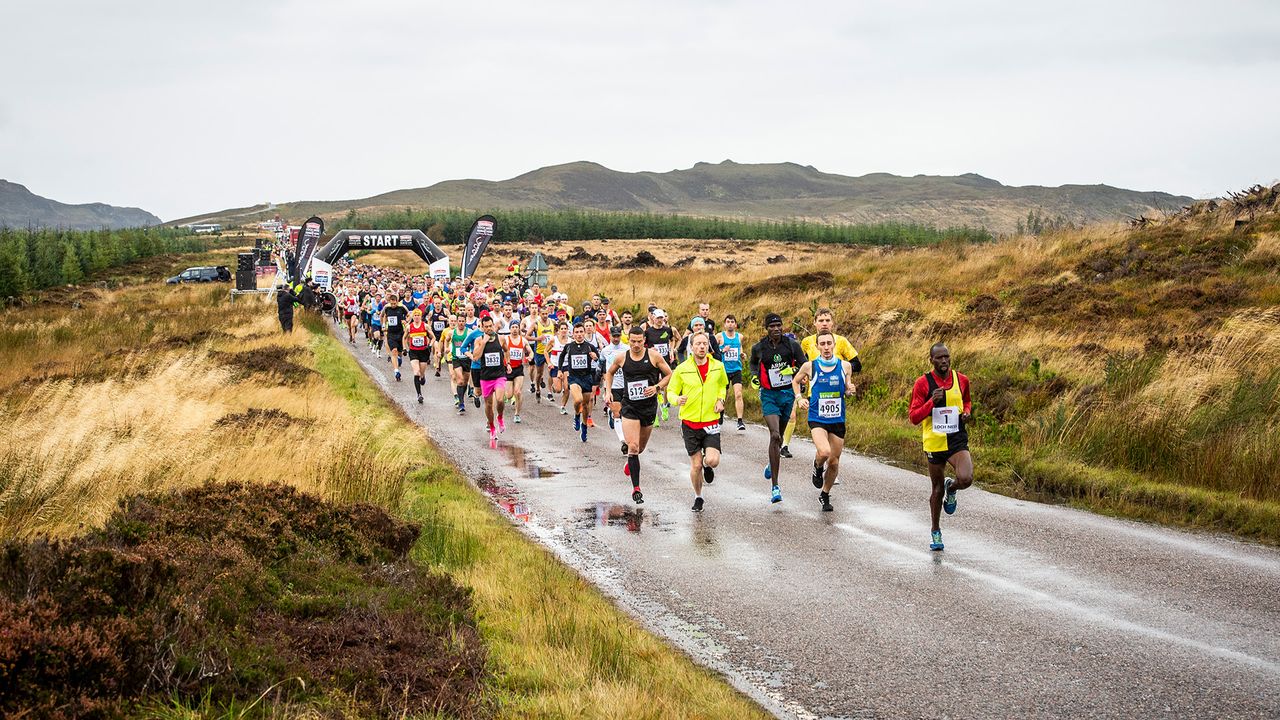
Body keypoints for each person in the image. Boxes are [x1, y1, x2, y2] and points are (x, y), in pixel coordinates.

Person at [908, 343, 974, 551]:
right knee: (936, 490)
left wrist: (967, 412)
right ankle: (935, 531)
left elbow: (967, 401)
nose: (944, 361)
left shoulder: (961, 380)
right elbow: (913, 417)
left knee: (966, 478)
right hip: (934, 441)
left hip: (956, 438)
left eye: (947, 357)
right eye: (939, 358)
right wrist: (930, 404)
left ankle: (952, 488)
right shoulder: (922, 383)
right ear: (931, 361)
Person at [603, 326, 673, 504]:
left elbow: (669, 374)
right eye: (632, 341)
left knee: (640, 449)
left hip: (648, 407)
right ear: (628, 340)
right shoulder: (622, 357)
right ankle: (636, 489)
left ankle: (630, 462)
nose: (635, 345)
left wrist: (657, 387)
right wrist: (608, 391)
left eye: (639, 342)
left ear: (644, 341)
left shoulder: (653, 356)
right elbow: (609, 373)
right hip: (630, 407)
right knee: (632, 447)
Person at [782, 307, 862, 457]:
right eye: (821, 321)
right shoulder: (807, 342)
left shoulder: (841, 341)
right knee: (820, 435)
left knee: (833, 438)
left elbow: (857, 364)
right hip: (815, 394)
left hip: (836, 394)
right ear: (815, 323)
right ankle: (819, 457)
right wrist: (805, 374)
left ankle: (830, 464)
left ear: (832, 323)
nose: (824, 323)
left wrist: (840, 371)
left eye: (827, 320)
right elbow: (800, 362)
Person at [792, 332, 855, 512]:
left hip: (837, 418)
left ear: (834, 345)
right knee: (824, 452)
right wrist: (799, 398)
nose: (826, 347)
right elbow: (795, 382)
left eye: (829, 343)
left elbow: (847, 389)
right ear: (817, 346)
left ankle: (825, 493)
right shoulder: (810, 366)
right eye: (822, 344)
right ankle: (817, 466)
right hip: (817, 417)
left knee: (834, 463)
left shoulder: (845, 366)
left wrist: (850, 390)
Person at [667, 332, 729, 512]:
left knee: (713, 460)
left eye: (704, 343)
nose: (701, 347)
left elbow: (722, 386)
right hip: (690, 423)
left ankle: (708, 466)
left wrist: (721, 400)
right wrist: (676, 399)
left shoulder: (718, 366)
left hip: (710, 421)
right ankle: (698, 496)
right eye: (698, 344)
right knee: (696, 465)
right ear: (691, 347)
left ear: (708, 346)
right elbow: (670, 392)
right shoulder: (682, 369)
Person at [748, 313, 805, 504]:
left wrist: (795, 371)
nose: (776, 329)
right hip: (769, 395)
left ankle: (772, 463)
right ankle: (775, 487)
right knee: (774, 436)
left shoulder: (791, 345)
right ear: (767, 328)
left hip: (787, 394)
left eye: (779, 325)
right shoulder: (759, 347)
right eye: (772, 326)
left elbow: (804, 365)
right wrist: (755, 377)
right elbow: (753, 364)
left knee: (779, 439)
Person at [472, 314, 510, 447]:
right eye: (486, 327)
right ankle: (492, 427)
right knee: (488, 405)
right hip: (486, 377)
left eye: (490, 326)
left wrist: (508, 363)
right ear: (482, 327)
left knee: (500, 399)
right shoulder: (479, 340)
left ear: (494, 325)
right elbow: (475, 357)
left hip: (499, 374)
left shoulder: (500, 338)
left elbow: (506, 350)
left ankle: (500, 417)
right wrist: (484, 341)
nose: (489, 328)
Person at [559, 323, 599, 443]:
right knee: (578, 400)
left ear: (584, 333)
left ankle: (584, 426)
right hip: (574, 378)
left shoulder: (590, 346)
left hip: (587, 377)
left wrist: (595, 357)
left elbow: (599, 358)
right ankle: (577, 415)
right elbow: (561, 357)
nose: (579, 334)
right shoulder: (569, 346)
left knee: (586, 405)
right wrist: (560, 370)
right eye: (577, 332)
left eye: (581, 332)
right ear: (573, 334)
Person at [644, 309, 677, 425]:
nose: (660, 320)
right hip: (653, 362)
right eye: (658, 318)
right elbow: (644, 345)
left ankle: (664, 405)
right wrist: (649, 350)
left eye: (661, 318)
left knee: (667, 383)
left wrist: (671, 351)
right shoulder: (648, 332)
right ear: (653, 318)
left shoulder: (668, 330)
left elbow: (672, 340)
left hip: (665, 361)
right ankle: (655, 414)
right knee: (654, 385)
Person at [599, 327, 630, 445]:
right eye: (614, 336)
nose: (616, 338)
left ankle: (611, 413)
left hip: (626, 385)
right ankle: (623, 441)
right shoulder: (605, 350)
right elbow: (601, 364)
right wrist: (601, 379)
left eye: (618, 336)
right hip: (613, 385)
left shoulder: (627, 349)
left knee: (625, 413)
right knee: (617, 413)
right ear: (610, 336)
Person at [717, 314, 746, 430]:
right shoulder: (720, 336)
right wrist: (722, 350)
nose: (730, 324)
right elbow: (713, 351)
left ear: (735, 324)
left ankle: (740, 421)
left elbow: (740, 348)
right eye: (728, 322)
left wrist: (742, 355)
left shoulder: (740, 337)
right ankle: (721, 413)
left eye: (732, 322)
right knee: (723, 395)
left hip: (736, 369)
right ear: (724, 324)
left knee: (738, 394)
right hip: (724, 370)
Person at [404, 308, 434, 403]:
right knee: (416, 372)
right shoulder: (409, 327)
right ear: (413, 317)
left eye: (418, 315)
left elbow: (433, 338)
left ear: (421, 316)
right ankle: (419, 394)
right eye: (415, 315)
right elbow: (404, 338)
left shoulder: (425, 326)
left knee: (421, 372)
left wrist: (430, 345)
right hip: (413, 352)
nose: (416, 317)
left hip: (423, 351)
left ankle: (423, 375)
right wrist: (405, 348)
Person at [504, 319, 528, 423]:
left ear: (519, 329)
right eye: (512, 327)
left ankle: (517, 414)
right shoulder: (505, 339)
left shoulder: (523, 340)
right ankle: (509, 394)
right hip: (508, 369)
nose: (514, 329)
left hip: (518, 369)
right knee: (509, 395)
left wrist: (530, 356)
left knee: (518, 392)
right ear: (510, 329)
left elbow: (530, 352)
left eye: (516, 327)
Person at [381, 293, 409, 381]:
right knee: (394, 351)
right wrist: (383, 325)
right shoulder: (386, 308)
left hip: (400, 332)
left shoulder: (402, 307)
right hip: (391, 333)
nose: (393, 305)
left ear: (397, 302)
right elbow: (382, 316)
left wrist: (406, 321)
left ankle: (399, 358)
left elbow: (409, 314)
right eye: (391, 303)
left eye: (395, 303)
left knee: (399, 352)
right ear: (389, 302)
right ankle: (396, 371)